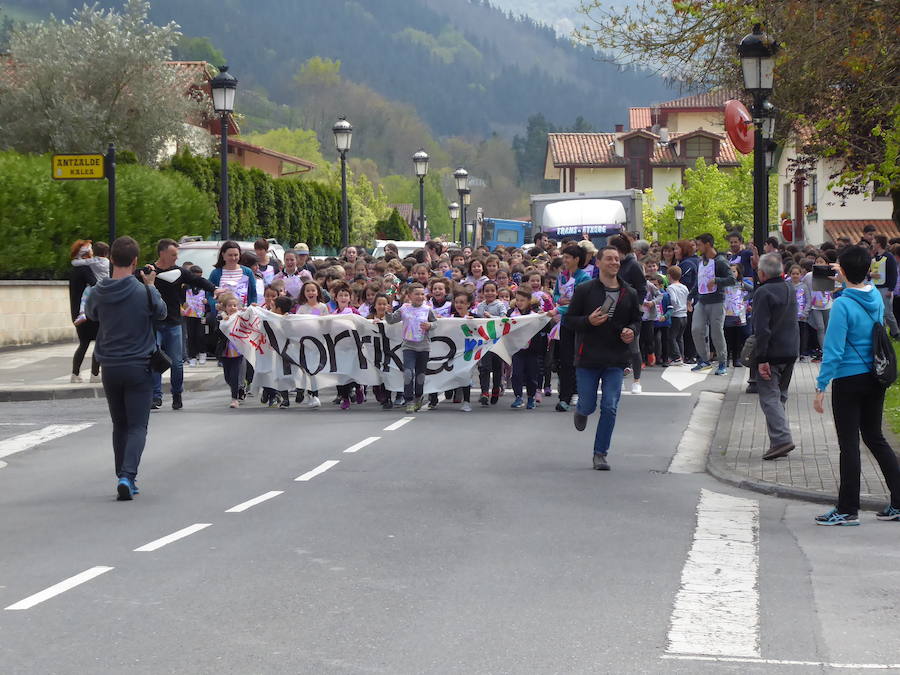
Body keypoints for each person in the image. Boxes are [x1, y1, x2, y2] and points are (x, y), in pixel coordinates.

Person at [813, 246, 900, 525]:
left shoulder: (842, 305)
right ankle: (898, 501)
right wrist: (848, 276)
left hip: (849, 380)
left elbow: (834, 350)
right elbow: (863, 283)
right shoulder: (873, 295)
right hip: (875, 376)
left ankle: (847, 508)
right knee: (875, 438)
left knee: (849, 444)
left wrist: (820, 386)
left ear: (845, 271)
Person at [85, 236, 166, 501]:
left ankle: (122, 474)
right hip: (138, 365)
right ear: (135, 262)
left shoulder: (98, 291)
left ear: (110, 259)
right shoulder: (143, 291)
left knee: (119, 424)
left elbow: (92, 315)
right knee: (137, 426)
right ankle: (127, 476)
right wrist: (151, 285)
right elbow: (162, 312)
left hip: (109, 365)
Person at [565, 247, 641, 471]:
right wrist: (588, 321)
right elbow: (569, 320)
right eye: (609, 259)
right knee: (588, 404)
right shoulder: (585, 290)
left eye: (617, 259)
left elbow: (636, 320)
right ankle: (582, 410)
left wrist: (631, 331)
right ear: (597, 263)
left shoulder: (629, 292)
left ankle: (600, 453)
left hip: (616, 359)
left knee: (610, 406)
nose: (614, 262)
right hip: (588, 358)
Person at [150, 239, 216, 410]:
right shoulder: (149, 271)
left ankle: (177, 394)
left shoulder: (179, 272)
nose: (176, 258)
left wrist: (214, 289)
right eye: (173, 255)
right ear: (162, 253)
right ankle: (155, 397)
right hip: (153, 323)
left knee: (177, 362)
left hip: (173, 323)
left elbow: (198, 281)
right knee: (154, 360)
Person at [752, 253, 800, 461]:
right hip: (791, 349)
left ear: (762, 273)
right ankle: (777, 439)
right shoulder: (789, 287)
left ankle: (781, 439)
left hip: (772, 352)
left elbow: (761, 329)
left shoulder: (763, 292)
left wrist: (761, 358)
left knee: (770, 397)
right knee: (780, 395)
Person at [383, 283, 436, 413]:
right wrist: (388, 312)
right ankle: (409, 400)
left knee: (420, 375)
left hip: (424, 347)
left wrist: (429, 325)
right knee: (408, 373)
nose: (420, 296)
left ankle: (418, 396)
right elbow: (391, 320)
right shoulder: (404, 309)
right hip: (408, 346)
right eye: (416, 294)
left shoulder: (427, 309)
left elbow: (435, 323)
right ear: (409, 296)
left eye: (422, 294)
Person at [690, 233, 734, 376]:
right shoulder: (700, 261)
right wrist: (690, 296)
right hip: (702, 301)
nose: (697, 248)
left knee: (717, 333)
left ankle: (722, 362)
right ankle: (704, 359)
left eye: (699, 245)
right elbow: (699, 281)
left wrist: (716, 280)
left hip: (717, 301)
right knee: (696, 329)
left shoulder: (720, 261)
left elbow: (732, 279)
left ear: (708, 244)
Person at [68, 239, 102, 383]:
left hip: (77, 313)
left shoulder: (74, 269)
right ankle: (95, 374)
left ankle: (75, 374)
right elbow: (95, 284)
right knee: (98, 342)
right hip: (90, 312)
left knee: (84, 343)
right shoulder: (85, 269)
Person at [508, 289, 544, 409]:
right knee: (516, 374)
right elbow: (502, 323)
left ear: (529, 301)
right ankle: (518, 396)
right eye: (517, 300)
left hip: (532, 350)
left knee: (531, 375)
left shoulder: (535, 314)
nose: (519, 302)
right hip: (517, 349)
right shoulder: (511, 313)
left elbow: (545, 326)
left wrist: (543, 317)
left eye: (522, 300)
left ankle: (531, 397)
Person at [870, 235, 900, 338]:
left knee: (887, 313)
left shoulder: (889, 257)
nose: (872, 244)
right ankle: (882, 335)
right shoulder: (874, 258)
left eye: (874, 242)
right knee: (879, 313)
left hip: (885, 288)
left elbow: (893, 274)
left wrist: (891, 289)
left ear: (878, 244)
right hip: (875, 288)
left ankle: (896, 333)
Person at [666, 265, 688, 365]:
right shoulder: (684, 287)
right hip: (684, 314)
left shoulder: (671, 288)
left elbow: (673, 300)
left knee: (672, 337)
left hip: (676, 315)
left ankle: (677, 357)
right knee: (680, 337)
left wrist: (672, 307)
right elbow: (689, 298)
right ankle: (681, 356)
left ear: (669, 276)